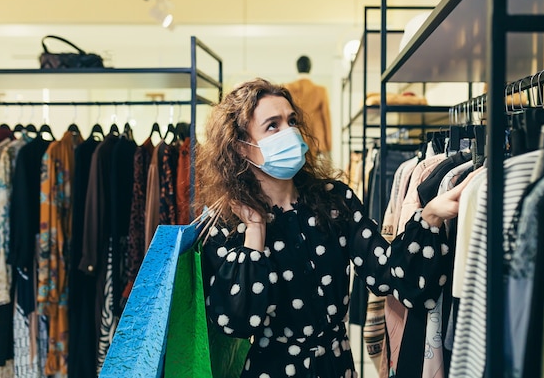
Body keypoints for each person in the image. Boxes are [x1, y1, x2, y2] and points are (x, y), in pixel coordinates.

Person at [195, 78, 476, 378]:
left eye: (291, 121)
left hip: (336, 366)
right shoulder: (227, 223)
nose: (289, 132)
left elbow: (389, 275)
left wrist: (430, 217)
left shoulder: (334, 200)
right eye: (272, 126)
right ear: (241, 147)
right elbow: (236, 322)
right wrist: (254, 232)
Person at [284, 55, 332, 156]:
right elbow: (326, 117)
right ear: (310, 67)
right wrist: (328, 144)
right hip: (315, 138)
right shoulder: (320, 91)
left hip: (293, 135)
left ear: (297, 67)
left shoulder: (287, 88)